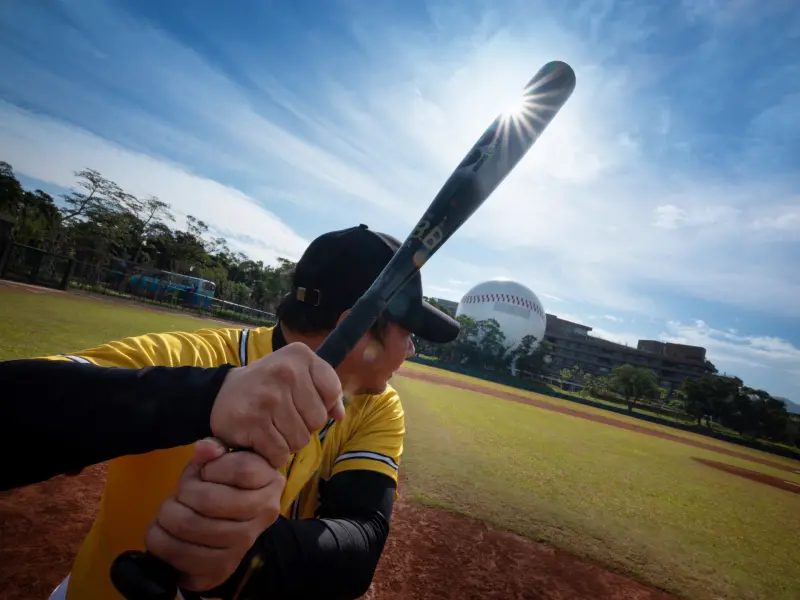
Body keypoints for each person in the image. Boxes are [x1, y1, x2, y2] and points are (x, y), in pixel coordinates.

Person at [40, 223, 459, 600]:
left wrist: (237, 554)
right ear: (358, 329)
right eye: (409, 332)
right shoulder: (190, 359)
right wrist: (208, 396)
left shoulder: (377, 404)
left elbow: (361, 541)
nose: (411, 349)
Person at [0, 352, 344, 492]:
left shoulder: (380, 403)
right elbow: (26, 399)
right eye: (401, 326)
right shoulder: (199, 351)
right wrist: (208, 394)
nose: (403, 344)